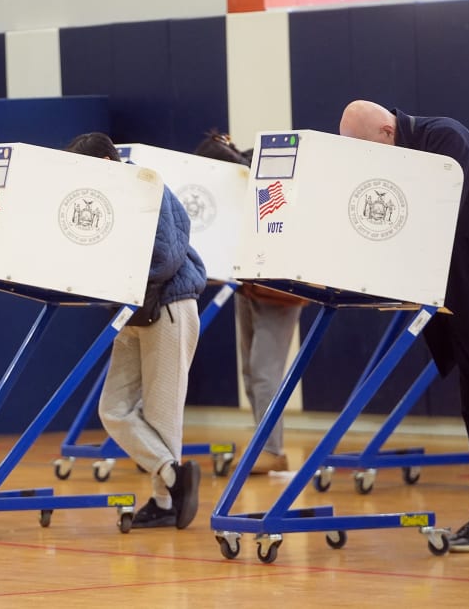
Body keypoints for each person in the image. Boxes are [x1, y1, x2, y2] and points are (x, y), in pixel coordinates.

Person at [339, 100, 469, 552]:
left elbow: (434, 215)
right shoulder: (405, 151)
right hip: (468, 306)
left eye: (368, 150)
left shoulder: (445, 137)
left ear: (388, 132)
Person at [66, 132, 204, 529]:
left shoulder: (148, 186)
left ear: (106, 165)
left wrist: (108, 274)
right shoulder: (110, 198)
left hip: (169, 307)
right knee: (113, 408)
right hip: (133, 310)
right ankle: (174, 477)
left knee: (162, 414)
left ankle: (164, 502)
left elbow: (165, 257)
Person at [194, 130, 306, 474]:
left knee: (264, 371)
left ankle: (272, 449)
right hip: (249, 285)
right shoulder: (239, 177)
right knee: (250, 372)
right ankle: (266, 445)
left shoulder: (271, 180)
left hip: (278, 289)